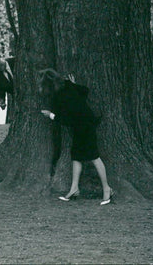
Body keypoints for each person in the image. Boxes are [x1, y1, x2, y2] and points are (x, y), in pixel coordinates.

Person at [39, 69, 113, 205]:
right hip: (85, 124)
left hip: (83, 127)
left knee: (94, 156)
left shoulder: (57, 97)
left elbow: (65, 120)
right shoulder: (67, 84)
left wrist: (50, 114)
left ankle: (107, 189)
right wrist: (74, 85)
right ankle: (74, 189)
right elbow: (85, 91)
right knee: (76, 156)